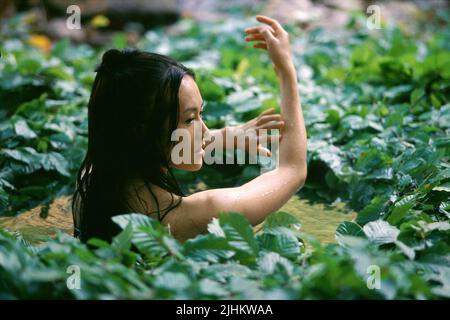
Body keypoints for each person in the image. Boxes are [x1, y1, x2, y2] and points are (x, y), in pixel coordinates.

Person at [72, 15, 307, 243]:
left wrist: (224, 138)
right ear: (142, 131)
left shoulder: (89, 184)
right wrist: (286, 71)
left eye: (200, 114)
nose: (205, 131)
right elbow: (292, 170)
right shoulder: (201, 215)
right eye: (189, 119)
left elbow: (133, 143)